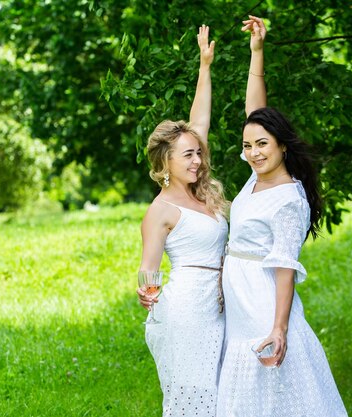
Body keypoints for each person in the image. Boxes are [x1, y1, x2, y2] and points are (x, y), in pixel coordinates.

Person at [215, 16, 348, 416]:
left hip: (262, 297)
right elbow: (256, 112)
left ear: (282, 147)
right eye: (248, 145)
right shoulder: (255, 177)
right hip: (238, 296)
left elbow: (285, 266)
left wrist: (279, 326)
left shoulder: (289, 198)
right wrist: (257, 51)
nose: (254, 152)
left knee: (269, 380)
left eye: (262, 145)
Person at [137, 24, 229, 417]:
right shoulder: (161, 210)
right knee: (194, 398)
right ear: (166, 164)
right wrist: (145, 291)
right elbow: (148, 270)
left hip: (223, 305)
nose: (197, 160)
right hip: (188, 310)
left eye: (197, 153)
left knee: (226, 392)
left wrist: (204, 65)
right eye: (187, 155)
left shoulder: (202, 194)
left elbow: (200, 121)